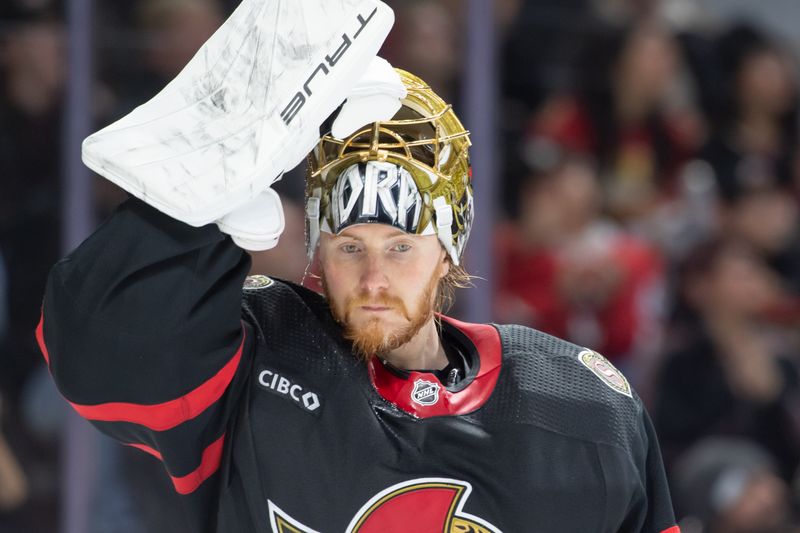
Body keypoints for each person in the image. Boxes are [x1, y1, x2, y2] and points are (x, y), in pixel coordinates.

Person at [36, 1, 679, 531]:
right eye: (350, 247)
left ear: (451, 243)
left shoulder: (581, 405)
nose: (373, 279)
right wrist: (191, 190)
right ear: (317, 247)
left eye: (400, 247)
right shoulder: (256, 354)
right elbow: (96, 355)